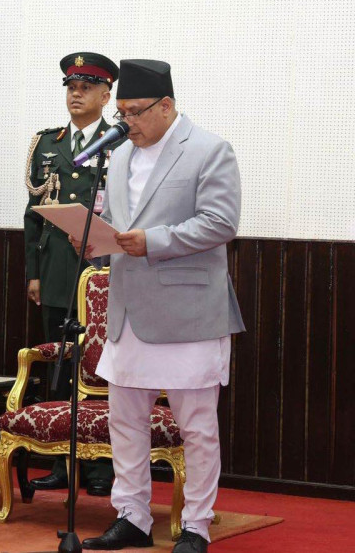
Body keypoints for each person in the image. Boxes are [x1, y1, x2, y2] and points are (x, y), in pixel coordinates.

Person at [77, 59, 244, 553]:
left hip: (189, 312)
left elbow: (221, 222)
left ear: (166, 106)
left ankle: (196, 525)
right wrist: (91, 239)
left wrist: (153, 240)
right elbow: (116, 222)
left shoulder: (209, 150)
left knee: (197, 427)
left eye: (134, 112)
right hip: (128, 312)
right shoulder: (120, 156)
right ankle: (132, 516)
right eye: (121, 113)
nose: (126, 122)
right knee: (125, 422)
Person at [24, 52, 119, 497]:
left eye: (86, 87)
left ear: (106, 95)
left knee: (100, 367)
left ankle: (101, 467)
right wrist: (34, 273)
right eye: (71, 87)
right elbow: (33, 215)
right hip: (57, 269)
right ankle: (62, 461)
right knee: (60, 365)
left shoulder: (120, 142)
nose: (76, 94)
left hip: (102, 270)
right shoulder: (48, 143)